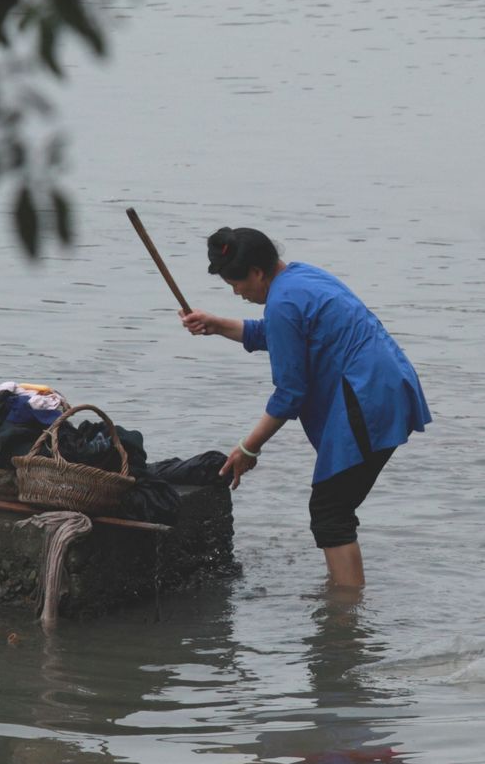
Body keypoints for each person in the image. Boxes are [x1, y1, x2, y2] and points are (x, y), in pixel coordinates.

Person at [180, 227, 431, 588]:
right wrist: (219, 326)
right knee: (334, 508)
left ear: (256, 273)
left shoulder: (282, 302)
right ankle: (342, 605)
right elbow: (281, 333)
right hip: (388, 384)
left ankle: (344, 619)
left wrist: (248, 448)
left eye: (235, 283)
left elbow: (290, 393)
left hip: (367, 396)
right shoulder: (300, 277)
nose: (236, 292)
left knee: (330, 512)